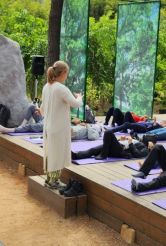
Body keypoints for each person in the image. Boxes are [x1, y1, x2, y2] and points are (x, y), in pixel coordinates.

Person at [40, 61, 83, 189]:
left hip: (48, 127)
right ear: (63, 73)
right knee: (57, 155)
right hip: (58, 128)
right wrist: (79, 97)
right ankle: (54, 181)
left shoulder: (46, 87)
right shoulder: (61, 88)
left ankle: (49, 179)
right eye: (67, 74)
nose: (66, 76)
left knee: (49, 153)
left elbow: (42, 109)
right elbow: (76, 104)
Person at [71, 130, 149, 161]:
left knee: (108, 132)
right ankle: (75, 155)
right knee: (93, 151)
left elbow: (138, 154)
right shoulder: (136, 139)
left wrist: (131, 143)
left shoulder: (145, 148)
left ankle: (103, 155)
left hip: (120, 151)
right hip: (117, 146)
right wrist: (121, 140)